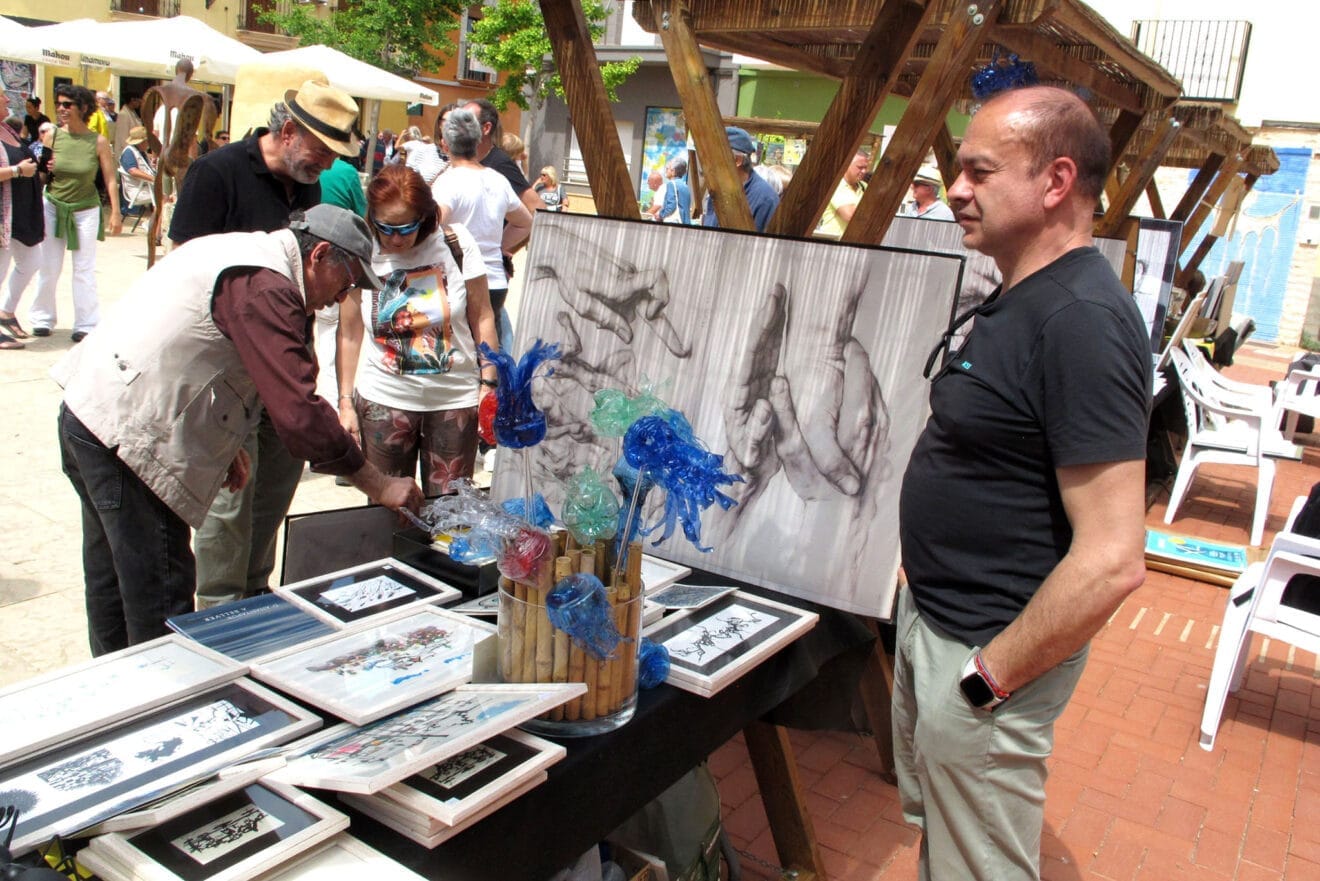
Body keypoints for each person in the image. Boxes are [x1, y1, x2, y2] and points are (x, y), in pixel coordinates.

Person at [893, 85, 1151, 881]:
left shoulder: (1082, 320)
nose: (957, 190)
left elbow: (1113, 557)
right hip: (941, 625)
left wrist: (985, 681)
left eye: (979, 170)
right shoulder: (1024, 293)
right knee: (949, 845)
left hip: (987, 653)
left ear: (1054, 182)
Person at [53, 203, 423, 655]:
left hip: (90, 414)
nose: (340, 298)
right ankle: (157, 705)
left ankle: (115, 694)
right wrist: (377, 482)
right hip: (127, 438)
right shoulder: (266, 286)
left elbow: (201, 348)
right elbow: (299, 413)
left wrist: (226, 444)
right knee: (158, 599)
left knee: (114, 581)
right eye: (345, 282)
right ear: (319, 255)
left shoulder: (245, 252)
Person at [170, 79, 360, 610]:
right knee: (227, 505)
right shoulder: (217, 173)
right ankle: (220, 610)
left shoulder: (308, 185)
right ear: (289, 131)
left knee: (275, 488)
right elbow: (186, 270)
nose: (325, 165)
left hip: (284, 364)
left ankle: (254, 596)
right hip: (225, 373)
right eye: (322, 151)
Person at [337, 164, 498, 495]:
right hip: (384, 400)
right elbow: (349, 332)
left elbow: (483, 315)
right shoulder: (362, 248)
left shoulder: (456, 243)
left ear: (425, 217)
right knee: (386, 513)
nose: (395, 238)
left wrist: (489, 382)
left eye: (405, 227)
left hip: (453, 399)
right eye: (385, 227)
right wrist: (344, 402)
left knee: (451, 514)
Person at [432, 108, 532, 354]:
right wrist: (499, 247)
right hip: (495, 281)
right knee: (487, 354)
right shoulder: (497, 180)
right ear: (478, 141)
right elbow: (525, 222)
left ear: (445, 143)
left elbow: (433, 225)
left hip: (460, 280)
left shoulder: (449, 181)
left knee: (460, 355)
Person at [30, 84, 122, 341]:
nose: (61, 109)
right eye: (59, 103)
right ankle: (42, 317)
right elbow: (42, 176)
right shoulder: (52, 136)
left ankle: (86, 323)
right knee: (48, 265)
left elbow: (110, 179)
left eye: (67, 104)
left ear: (83, 107)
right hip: (53, 206)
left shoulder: (98, 141)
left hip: (86, 210)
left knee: (83, 268)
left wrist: (115, 213)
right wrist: (45, 167)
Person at [313, 155, 368, 406]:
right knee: (339, 331)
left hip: (308, 259)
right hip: (337, 261)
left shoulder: (307, 164)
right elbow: (362, 217)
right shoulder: (346, 172)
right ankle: (335, 401)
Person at [0, 80, 42, 349]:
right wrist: (17, 171)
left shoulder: (7, 129)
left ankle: (6, 311)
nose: (7, 100)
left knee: (31, 260)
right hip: (3, 213)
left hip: (20, 211)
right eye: (1, 96)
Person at [701, 126, 778, 232]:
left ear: (737, 160)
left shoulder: (766, 199)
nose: (708, 162)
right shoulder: (718, 191)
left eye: (715, 157)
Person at [816, 151, 868, 237]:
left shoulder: (864, 186)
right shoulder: (835, 185)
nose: (864, 171)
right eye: (860, 167)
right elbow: (851, 216)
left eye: (866, 167)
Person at [118, 125, 155, 216]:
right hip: (139, 190)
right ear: (141, 142)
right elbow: (133, 171)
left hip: (146, 186)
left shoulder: (139, 151)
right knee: (167, 195)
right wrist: (153, 178)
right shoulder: (129, 152)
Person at [656, 158, 692, 224]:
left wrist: (660, 215)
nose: (666, 170)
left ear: (673, 171)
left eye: (667, 168)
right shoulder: (685, 186)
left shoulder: (671, 184)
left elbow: (671, 206)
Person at [112, 93, 142, 160]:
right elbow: (123, 137)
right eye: (138, 101)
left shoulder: (133, 112)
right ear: (132, 100)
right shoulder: (123, 114)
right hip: (126, 152)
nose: (140, 103)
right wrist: (129, 153)